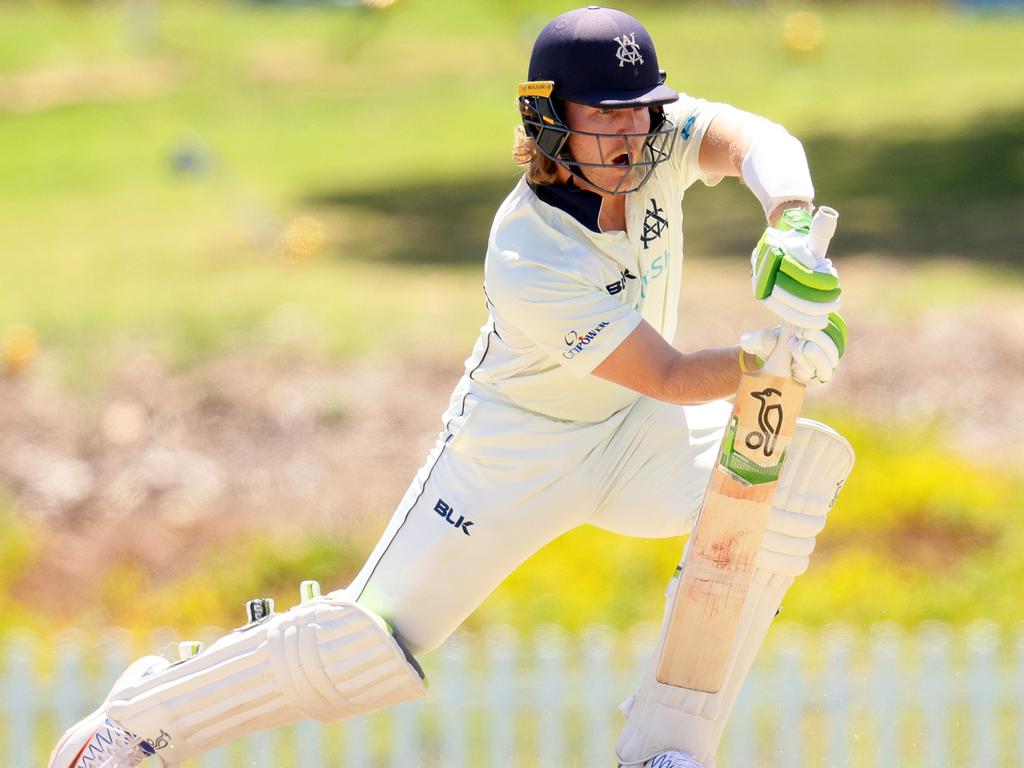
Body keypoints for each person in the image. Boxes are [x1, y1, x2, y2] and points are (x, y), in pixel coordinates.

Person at [49, 7, 854, 768]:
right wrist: (767, 361)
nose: (628, 132)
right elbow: (674, 375)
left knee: (779, 485)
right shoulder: (527, 253)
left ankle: (663, 746)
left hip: (636, 433)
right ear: (548, 120)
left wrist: (788, 220)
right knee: (360, 642)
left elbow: (760, 138)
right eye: (604, 114)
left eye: (640, 110)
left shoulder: (654, 138)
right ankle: (144, 719)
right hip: (511, 453)